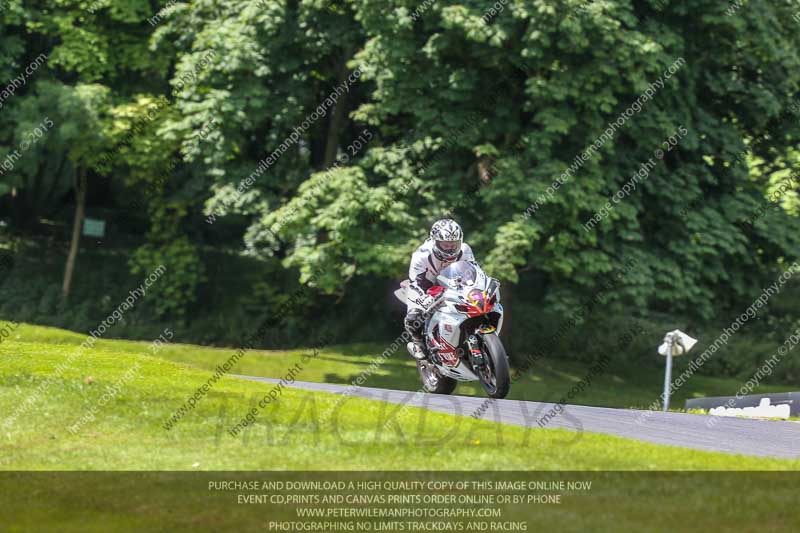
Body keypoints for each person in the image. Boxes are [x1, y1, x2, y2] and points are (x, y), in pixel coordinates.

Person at [405, 219, 475, 360]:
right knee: (414, 316)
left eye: (453, 244)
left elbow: (474, 272)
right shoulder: (421, 255)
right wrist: (423, 298)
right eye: (445, 245)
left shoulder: (465, 250)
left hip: (455, 285)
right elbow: (415, 283)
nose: (450, 248)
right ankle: (418, 342)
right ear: (435, 241)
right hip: (426, 287)